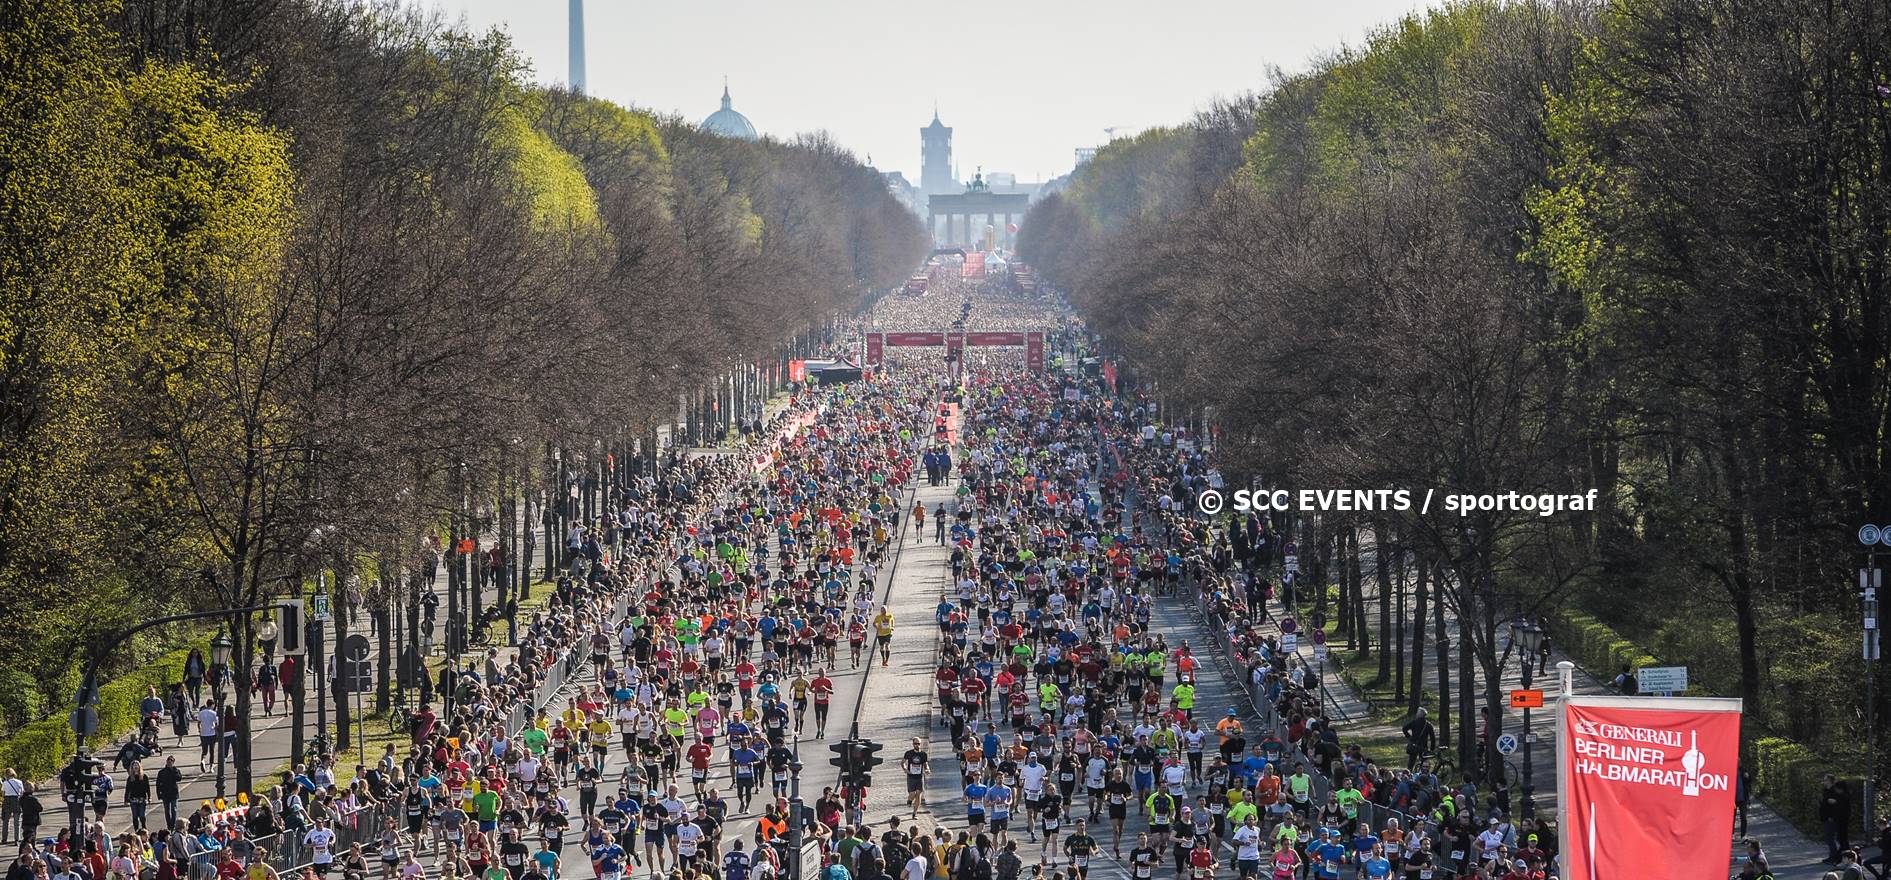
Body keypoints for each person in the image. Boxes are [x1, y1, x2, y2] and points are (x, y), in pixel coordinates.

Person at [1823, 775, 1855, 862]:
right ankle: (1842, 856)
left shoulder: (1842, 797)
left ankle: (1844, 857)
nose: (1836, 790)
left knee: (1842, 839)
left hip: (1841, 820)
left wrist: (1833, 817)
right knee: (1842, 839)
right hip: (1841, 820)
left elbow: (1840, 810)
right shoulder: (1843, 796)